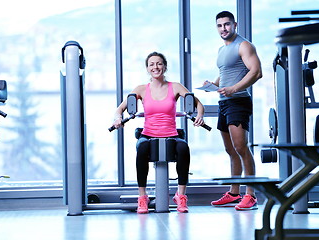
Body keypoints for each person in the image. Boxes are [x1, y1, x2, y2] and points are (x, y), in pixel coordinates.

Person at [111, 52, 206, 214]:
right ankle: (142, 197)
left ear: (165, 66)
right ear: (147, 69)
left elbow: (198, 104)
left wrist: (199, 116)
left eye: (159, 64)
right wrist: (118, 118)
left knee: (183, 149)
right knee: (141, 150)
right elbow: (120, 108)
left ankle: (180, 195)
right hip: (148, 134)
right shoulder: (141, 89)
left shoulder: (175, 87)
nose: (156, 67)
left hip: (172, 134)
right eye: (152, 64)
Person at [209, 11, 262, 210]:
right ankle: (234, 193)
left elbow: (256, 71)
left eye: (227, 24)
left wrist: (234, 88)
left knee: (241, 148)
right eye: (220, 25)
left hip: (238, 101)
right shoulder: (222, 50)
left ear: (235, 24)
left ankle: (251, 195)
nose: (224, 28)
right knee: (230, 150)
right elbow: (226, 73)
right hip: (224, 102)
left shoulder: (244, 45)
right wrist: (213, 84)